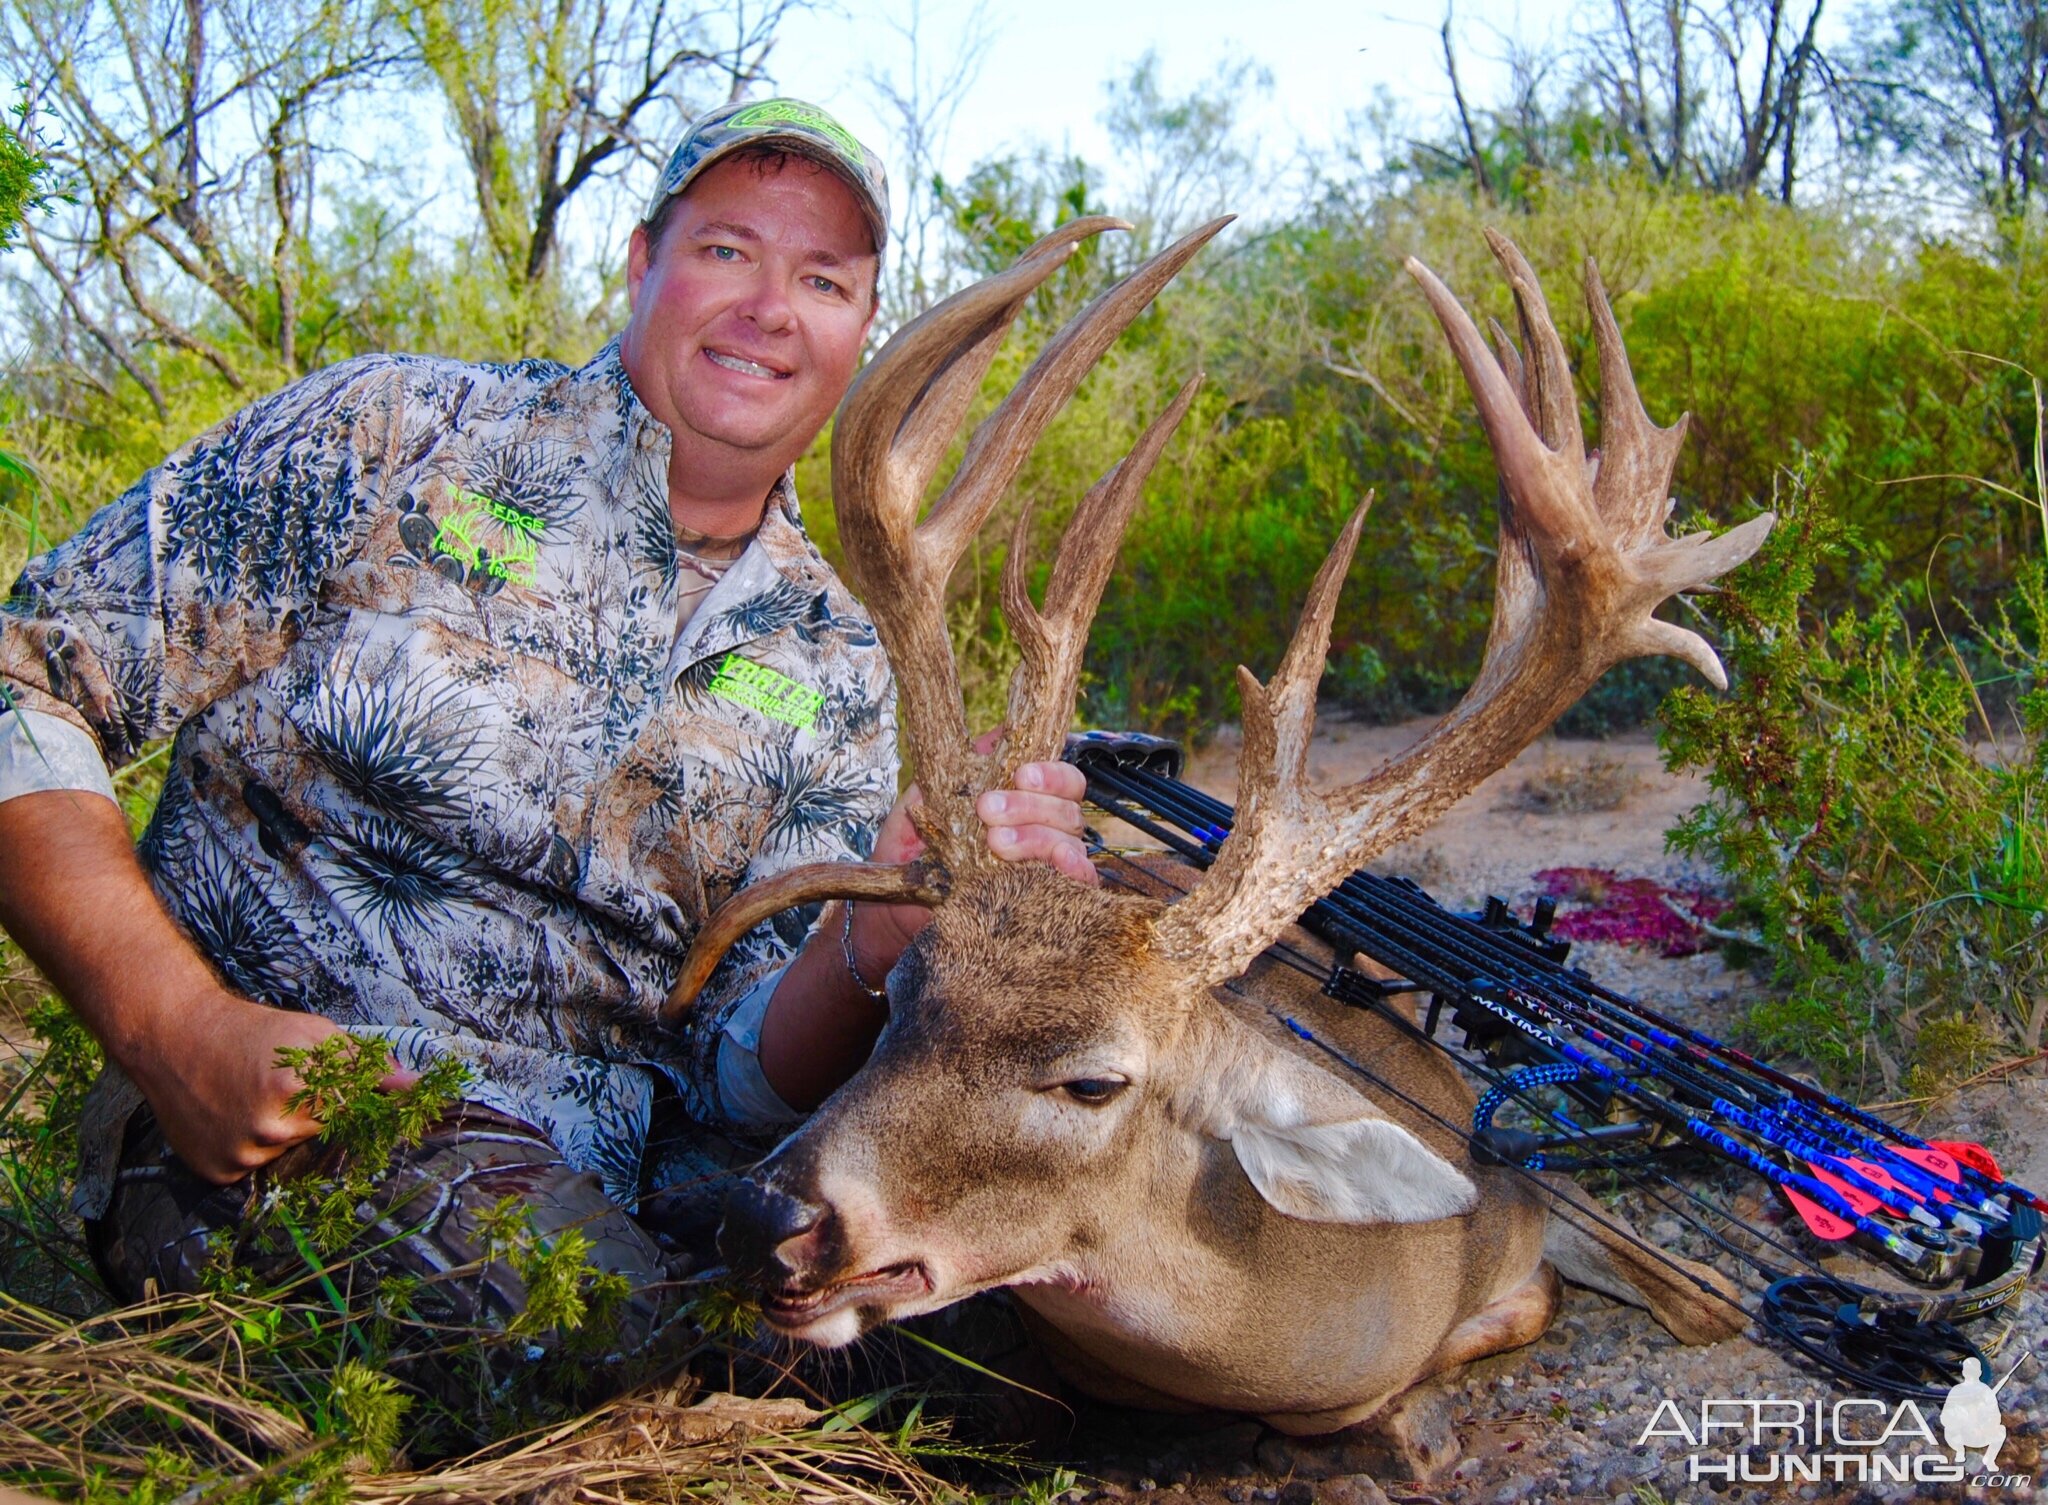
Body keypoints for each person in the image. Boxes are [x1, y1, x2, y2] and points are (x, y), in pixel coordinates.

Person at [0, 97, 1093, 1412]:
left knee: (1019, 1358)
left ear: (860, 332)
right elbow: (27, 673)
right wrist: (178, 1034)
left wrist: (879, 925)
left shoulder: (839, 655)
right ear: (641, 265)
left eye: (822, 279)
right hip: (288, 1118)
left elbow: (742, 1068)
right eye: (727, 250)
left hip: (626, 1180)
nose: (768, 307)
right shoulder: (397, 435)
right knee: (592, 1351)